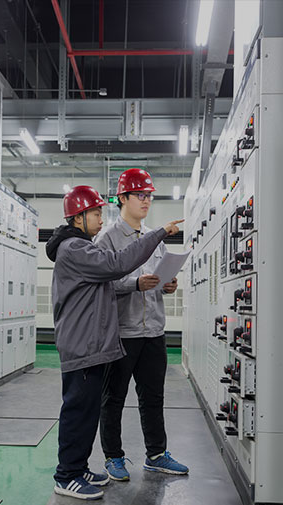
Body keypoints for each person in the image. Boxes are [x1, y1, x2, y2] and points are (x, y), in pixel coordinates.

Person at [45, 184, 182, 500]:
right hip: (82, 344)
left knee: (87, 411)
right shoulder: (75, 249)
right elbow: (119, 264)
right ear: (78, 217)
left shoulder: (81, 246)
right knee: (78, 411)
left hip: (91, 344)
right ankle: (66, 476)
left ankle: (78, 468)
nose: (99, 218)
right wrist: (160, 233)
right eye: (94, 213)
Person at [95, 169, 189, 481]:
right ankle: (113, 457)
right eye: (140, 195)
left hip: (154, 331)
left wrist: (167, 284)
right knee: (114, 398)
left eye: (149, 195)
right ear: (123, 198)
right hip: (122, 332)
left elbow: (158, 276)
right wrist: (135, 284)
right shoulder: (107, 239)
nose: (146, 200)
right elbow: (101, 283)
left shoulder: (154, 237)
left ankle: (157, 454)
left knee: (153, 397)